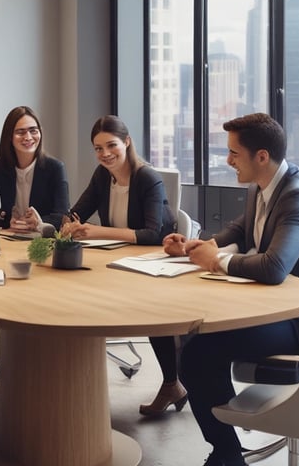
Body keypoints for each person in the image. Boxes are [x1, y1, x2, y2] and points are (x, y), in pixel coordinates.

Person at [167, 113, 299, 466]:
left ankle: (226, 455)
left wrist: (214, 261)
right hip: (284, 307)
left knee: (198, 354)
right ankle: (228, 447)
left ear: (262, 156)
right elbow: (238, 233)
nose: (228, 160)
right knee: (197, 344)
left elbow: (274, 267)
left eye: (235, 153)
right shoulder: (263, 188)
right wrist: (195, 247)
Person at [61, 115, 183, 416]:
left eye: (111, 146)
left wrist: (98, 231)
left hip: (153, 262)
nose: (105, 154)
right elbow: (76, 212)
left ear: (127, 143)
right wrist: (67, 223)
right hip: (115, 260)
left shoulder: (147, 178)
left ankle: (172, 383)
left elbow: (154, 233)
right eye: (98, 148)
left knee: (154, 311)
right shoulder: (102, 176)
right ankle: (73, 380)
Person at [0, 105, 69, 234]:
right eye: (20, 132)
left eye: (33, 130)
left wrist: (37, 222)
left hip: (42, 240)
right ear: (9, 137)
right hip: (10, 235)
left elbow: (62, 216)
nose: (28, 137)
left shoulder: (55, 168)